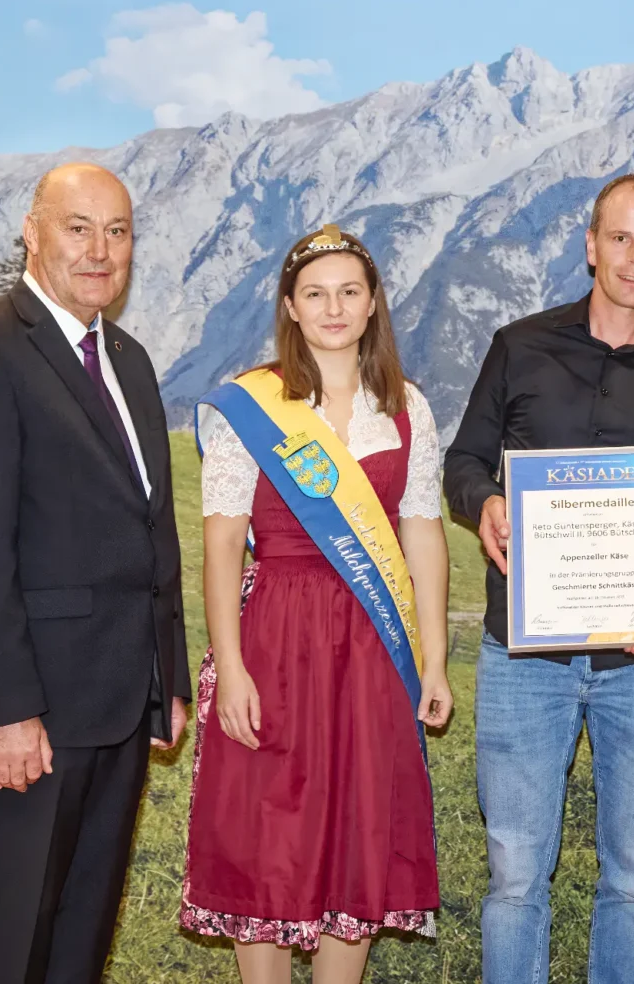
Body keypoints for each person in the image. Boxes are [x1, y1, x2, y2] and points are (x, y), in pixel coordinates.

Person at [444, 172, 634, 983]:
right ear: (591, 246)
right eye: (621, 239)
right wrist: (485, 501)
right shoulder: (519, 346)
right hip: (522, 657)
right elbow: (463, 460)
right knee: (514, 877)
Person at [0, 162, 192, 984]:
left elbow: (152, 528)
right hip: (30, 719)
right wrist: (6, 712)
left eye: (118, 232)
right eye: (79, 228)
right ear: (33, 234)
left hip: (120, 709)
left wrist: (166, 678)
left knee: (79, 948)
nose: (100, 250)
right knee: (8, 951)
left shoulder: (130, 361)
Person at [180, 224, 452, 984]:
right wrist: (231, 666)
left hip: (373, 643)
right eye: (315, 294)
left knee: (359, 821)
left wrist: (433, 659)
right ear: (291, 308)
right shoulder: (251, 406)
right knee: (264, 827)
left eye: (349, 292)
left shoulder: (407, 409)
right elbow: (222, 546)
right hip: (274, 635)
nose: (333, 309)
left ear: (373, 304)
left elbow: (422, 534)